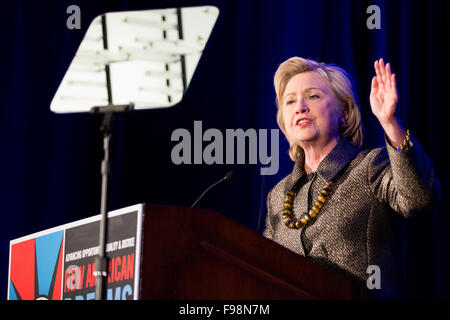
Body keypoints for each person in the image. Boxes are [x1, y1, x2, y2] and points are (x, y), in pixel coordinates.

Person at [263, 57, 440, 298]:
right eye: (290, 101)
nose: (300, 107)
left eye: (313, 96)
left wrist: (390, 123)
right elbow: (263, 270)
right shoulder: (278, 196)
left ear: (344, 113)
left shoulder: (369, 166)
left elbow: (418, 198)